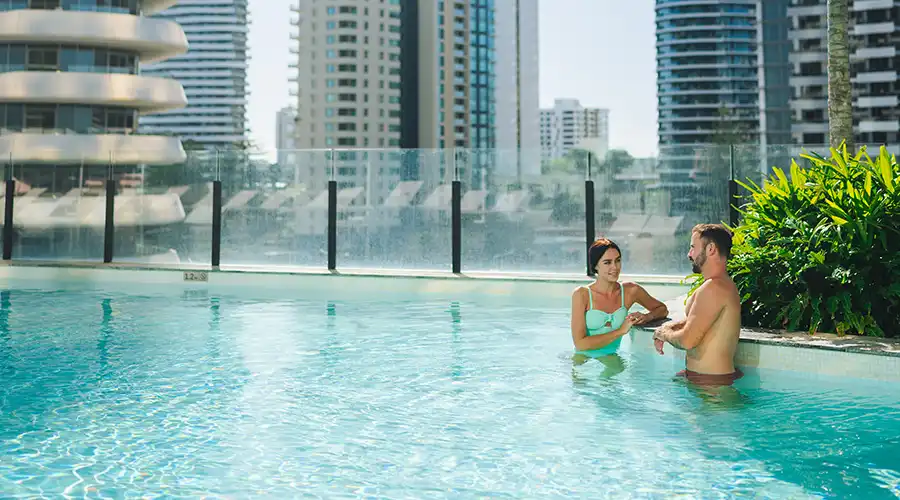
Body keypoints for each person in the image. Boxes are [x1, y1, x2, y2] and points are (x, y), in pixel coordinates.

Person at [653, 223, 743, 386]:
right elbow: (701, 321)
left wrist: (664, 334)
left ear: (710, 249)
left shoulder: (714, 288)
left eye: (693, 247)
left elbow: (688, 341)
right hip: (707, 381)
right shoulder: (720, 285)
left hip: (714, 388)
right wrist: (669, 328)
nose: (689, 254)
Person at [571, 238, 669, 359]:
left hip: (612, 357)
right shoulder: (582, 294)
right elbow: (580, 344)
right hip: (584, 359)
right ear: (595, 265)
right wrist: (620, 331)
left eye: (617, 261)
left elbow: (662, 309)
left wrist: (647, 317)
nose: (615, 267)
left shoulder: (630, 291)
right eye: (607, 262)